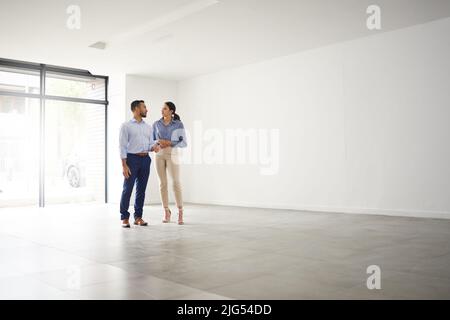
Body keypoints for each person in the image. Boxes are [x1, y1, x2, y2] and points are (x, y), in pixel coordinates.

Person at [119, 100, 160, 228]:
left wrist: (154, 147)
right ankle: (124, 217)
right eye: (144, 107)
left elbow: (150, 144)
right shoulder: (126, 126)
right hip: (131, 159)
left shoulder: (148, 127)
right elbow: (122, 146)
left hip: (145, 159)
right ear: (136, 109)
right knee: (127, 189)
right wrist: (124, 165)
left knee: (141, 190)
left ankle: (138, 217)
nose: (146, 109)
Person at [153, 101, 187, 225]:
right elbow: (152, 140)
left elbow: (183, 143)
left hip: (173, 154)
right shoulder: (156, 124)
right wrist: (157, 143)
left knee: (176, 182)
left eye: (165, 109)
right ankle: (166, 211)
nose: (162, 110)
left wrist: (169, 142)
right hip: (159, 155)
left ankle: (180, 210)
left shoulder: (178, 124)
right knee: (162, 183)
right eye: (162, 108)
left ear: (171, 111)